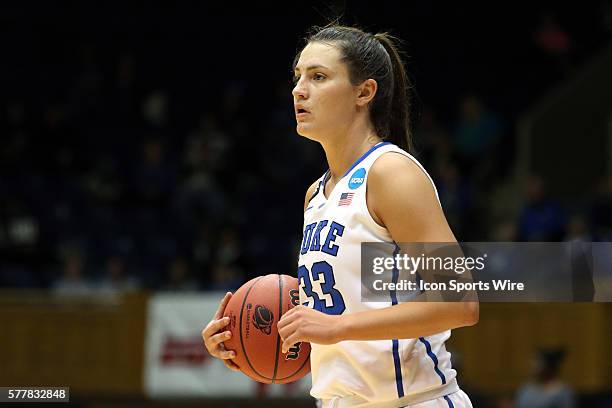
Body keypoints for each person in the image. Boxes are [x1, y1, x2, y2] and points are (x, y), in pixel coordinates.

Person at [202, 23, 479, 407]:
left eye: (318, 77)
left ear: (364, 92)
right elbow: (332, 317)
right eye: (298, 76)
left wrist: (338, 328)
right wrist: (246, 343)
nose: (299, 89)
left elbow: (459, 303)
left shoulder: (390, 173)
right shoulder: (315, 195)